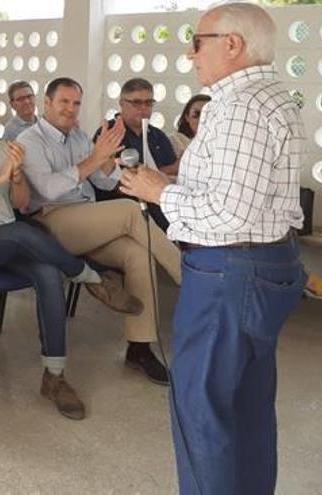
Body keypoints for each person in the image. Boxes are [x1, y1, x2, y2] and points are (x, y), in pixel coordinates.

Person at [119, 4, 306, 494]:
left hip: (230, 270)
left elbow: (230, 215)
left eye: (197, 40)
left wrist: (158, 192)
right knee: (246, 408)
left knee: (203, 411)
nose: (189, 52)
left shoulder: (240, 106)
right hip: (259, 264)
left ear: (232, 44)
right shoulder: (271, 95)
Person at [0, 83, 143, 419]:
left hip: (11, 238)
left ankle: (54, 376)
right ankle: (89, 276)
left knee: (47, 272)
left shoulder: (3, 148)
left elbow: (22, 203)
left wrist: (14, 179)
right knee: (19, 232)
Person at [17, 77, 183, 386]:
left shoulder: (79, 137)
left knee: (138, 254)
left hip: (85, 219)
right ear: (47, 103)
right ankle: (190, 281)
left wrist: (107, 160)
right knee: (130, 210)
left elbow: (106, 183)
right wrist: (94, 158)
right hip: (51, 222)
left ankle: (140, 347)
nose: (70, 109)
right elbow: (49, 189)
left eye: (76, 103)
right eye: (64, 102)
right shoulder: (30, 140)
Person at [92, 78, 178, 230]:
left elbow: (173, 174)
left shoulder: (158, 136)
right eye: (136, 103)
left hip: (159, 203)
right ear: (122, 103)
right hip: (123, 206)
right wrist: (165, 171)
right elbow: (116, 182)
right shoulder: (109, 134)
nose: (143, 108)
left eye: (149, 103)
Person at [168, 93, 211, 161]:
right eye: (196, 114)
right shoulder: (176, 139)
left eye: (207, 114)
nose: (202, 120)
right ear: (187, 117)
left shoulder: (221, 141)